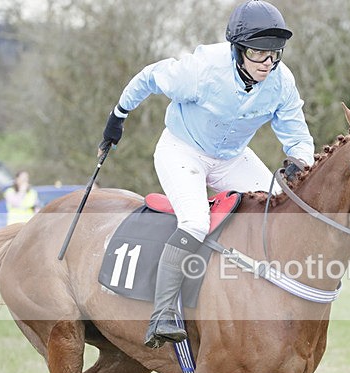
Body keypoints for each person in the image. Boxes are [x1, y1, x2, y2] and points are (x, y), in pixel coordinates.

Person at [99, 0, 315, 349]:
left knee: (279, 210)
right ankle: (163, 313)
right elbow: (149, 77)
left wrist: (298, 160)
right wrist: (118, 116)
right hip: (182, 150)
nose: (269, 63)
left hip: (231, 158)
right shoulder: (200, 70)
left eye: (275, 54)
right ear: (238, 49)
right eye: (259, 54)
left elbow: (298, 134)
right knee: (196, 223)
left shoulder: (281, 81)